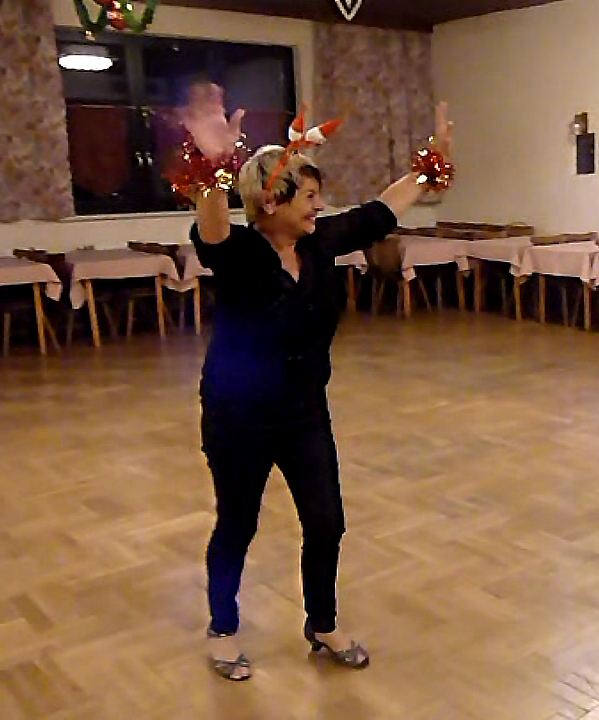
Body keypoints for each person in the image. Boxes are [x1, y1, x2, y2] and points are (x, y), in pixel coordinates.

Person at [173, 81, 454, 679]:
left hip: (303, 411)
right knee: (237, 523)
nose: (319, 206)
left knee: (327, 520)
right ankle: (223, 627)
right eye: (308, 196)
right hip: (238, 417)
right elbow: (212, 229)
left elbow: (381, 211)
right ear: (271, 201)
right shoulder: (240, 253)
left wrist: (429, 167)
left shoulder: (320, 243)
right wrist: (215, 166)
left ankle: (321, 623)